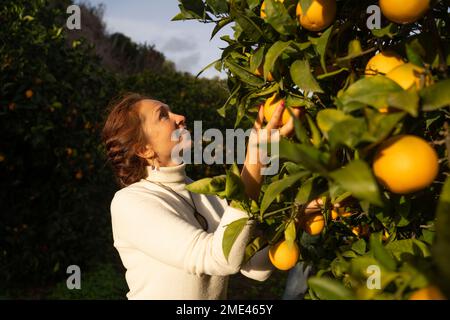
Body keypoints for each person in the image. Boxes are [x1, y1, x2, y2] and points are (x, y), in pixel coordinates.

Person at [101, 92, 300, 299]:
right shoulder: (130, 204)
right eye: (163, 115)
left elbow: (255, 268)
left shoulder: (206, 194)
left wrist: (297, 221)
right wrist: (255, 161)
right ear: (144, 149)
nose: (179, 117)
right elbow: (219, 259)